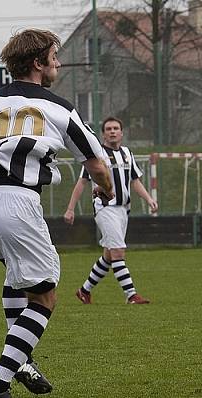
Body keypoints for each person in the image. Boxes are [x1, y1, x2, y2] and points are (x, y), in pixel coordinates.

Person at [0, 29, 114, 398]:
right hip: (18, 204)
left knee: (18, 274)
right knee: (45, 297)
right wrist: (104, 189)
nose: (58, 62)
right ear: (38, 63)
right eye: (54, 56)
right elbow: (98, 164)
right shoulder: (60, 108)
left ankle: (22, 359)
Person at [64, 116, 159, 305]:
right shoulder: (97, 155)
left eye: (116, 128)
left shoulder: (127, 153)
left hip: (124, 209)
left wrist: (149, 199)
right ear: (103, 134)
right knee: (118, 252)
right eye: (108, 129)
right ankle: (131, 295)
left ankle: (84, 291)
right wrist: (70, 208)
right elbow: (82, 182)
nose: (112, 131)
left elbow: (135, 181)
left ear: (122, 133)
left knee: (109, 255)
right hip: (105, 209)